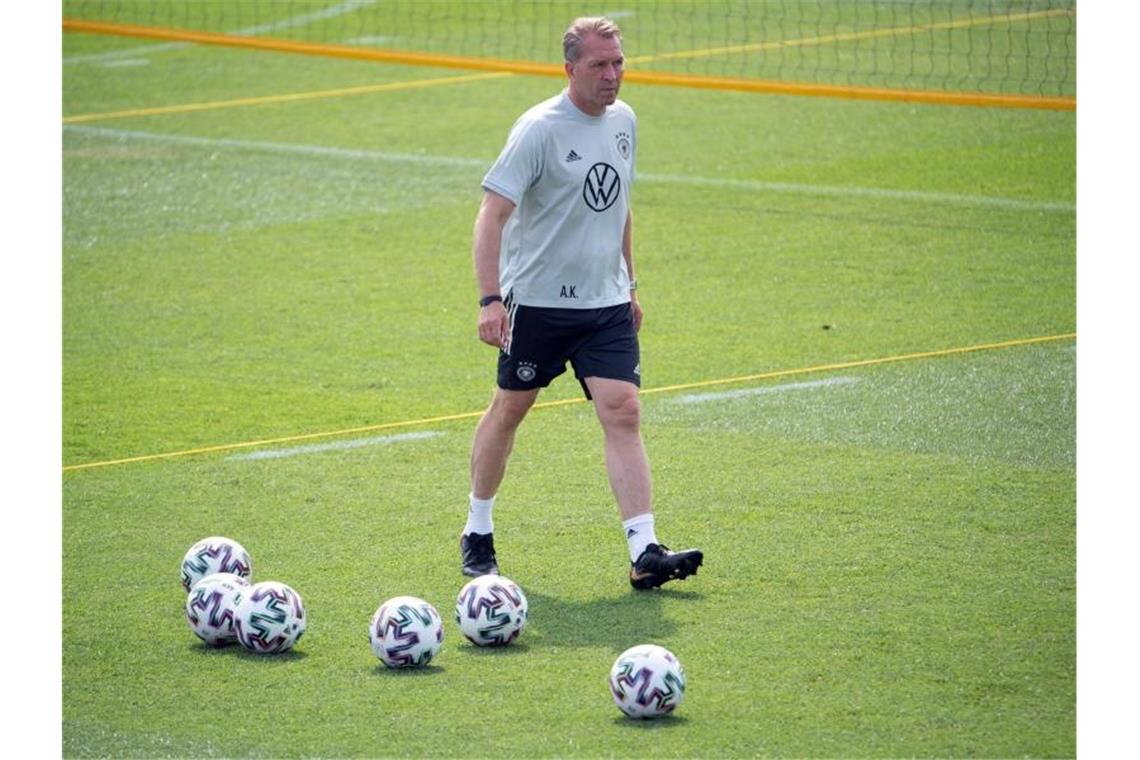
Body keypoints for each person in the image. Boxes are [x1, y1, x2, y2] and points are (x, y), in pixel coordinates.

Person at [460, 16, 703, 590]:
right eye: (599, 65)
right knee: (510, 410)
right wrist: (491, 300)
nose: (612, 75)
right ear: (570, 68)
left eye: (618, 62)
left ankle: (644, 550)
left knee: (623, 410)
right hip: (539, 306)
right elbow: (491, 215)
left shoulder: (625, 122)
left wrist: (631, 284)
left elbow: (620, 204)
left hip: (606, 305)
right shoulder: (539, 129)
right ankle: (478, 531)